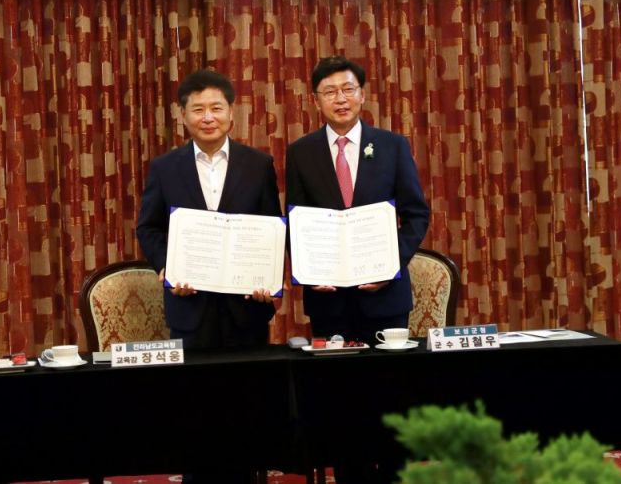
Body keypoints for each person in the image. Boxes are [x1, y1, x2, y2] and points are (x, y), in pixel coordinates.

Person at [285, 56, 431, 483]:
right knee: (341, 403)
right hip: (330, 302)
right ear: (316, 101)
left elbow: (416, 214)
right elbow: (296, 221)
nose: (341, 98)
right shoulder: (301, 152)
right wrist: (310, 270)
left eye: (348, 89)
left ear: (362, 94)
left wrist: (390, 264)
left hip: (384, 297)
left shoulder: (392, 146)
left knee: (391, 399)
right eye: (330, 92)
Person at [137, 68, 281, 350]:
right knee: (194, 380)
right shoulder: (165, 168)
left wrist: (270, 276)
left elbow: (272, 226)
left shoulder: (259, 165)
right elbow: (148, 227)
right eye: (198, 109)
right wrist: (168, 266)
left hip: (247, 308)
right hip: (189, 306)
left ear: (231, 112)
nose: (207, 118)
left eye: (216, 108)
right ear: (183, 115)